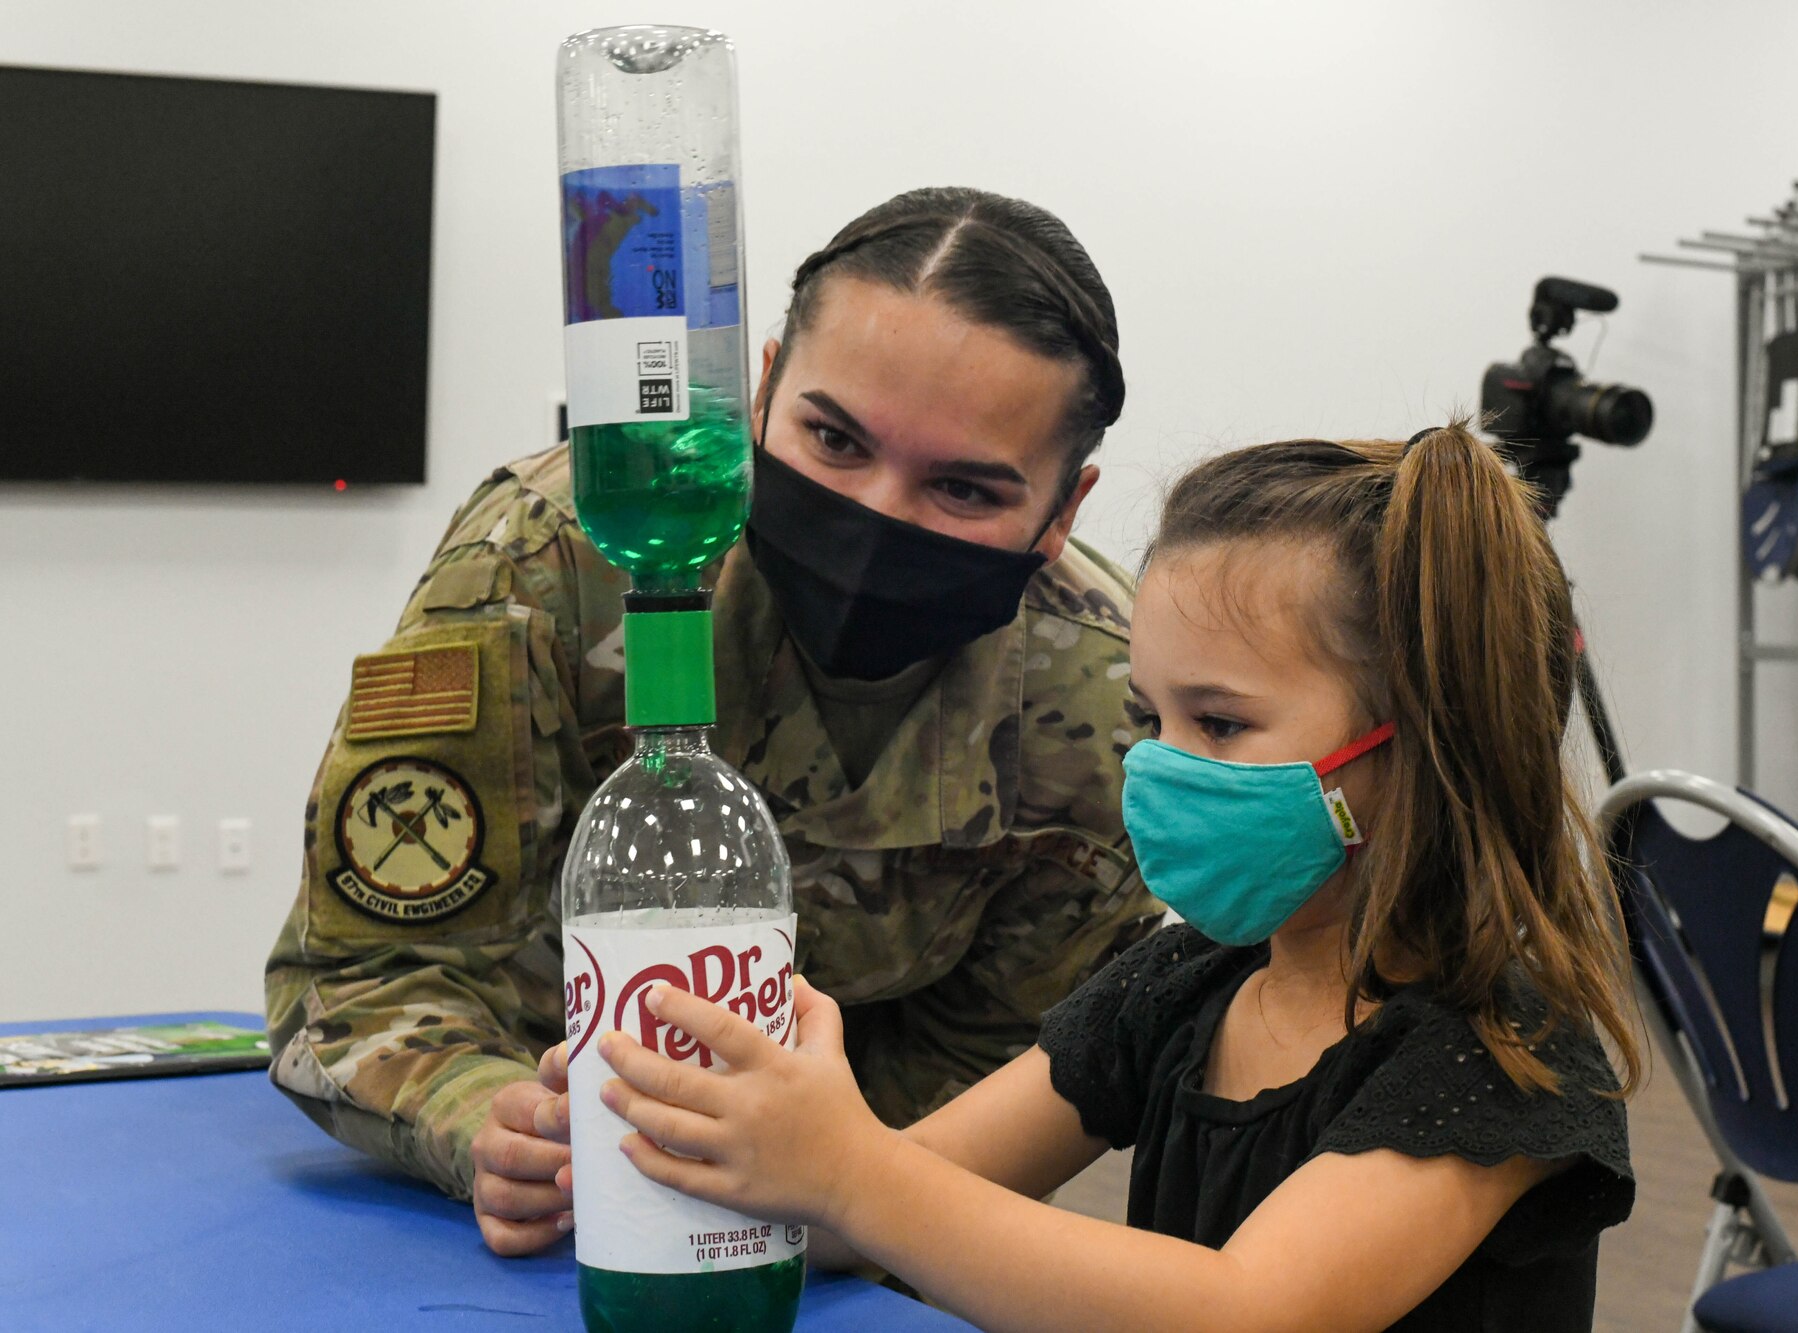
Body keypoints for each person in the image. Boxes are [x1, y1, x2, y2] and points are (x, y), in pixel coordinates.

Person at [263, 187, 1162, 1256]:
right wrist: (485, 1122)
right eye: (831, 438)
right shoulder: (557, 561)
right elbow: (362, 975)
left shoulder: (1104, 708)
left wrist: (822, 1198)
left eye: (963, 491)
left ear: (1062, 509)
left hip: (842, 1235)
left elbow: (996, 1088)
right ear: (762, 390)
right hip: (524, 1211)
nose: (872, 519)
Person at [588, 422, 1641, 1331]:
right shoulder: (1180, 983)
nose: (1157, 765)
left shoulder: (1500, 1058)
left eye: (1217, 724)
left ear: (1422, 744)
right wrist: (661, 1148)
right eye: (1151, 717)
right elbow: (907, 1194)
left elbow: (1244, 1309)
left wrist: (848, 1170)